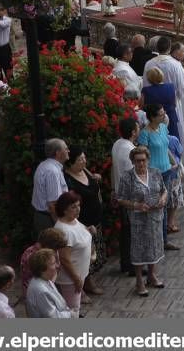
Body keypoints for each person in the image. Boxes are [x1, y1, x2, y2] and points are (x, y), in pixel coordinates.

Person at [115, 146, 167, 297]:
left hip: (156, 218)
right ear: (132, 161)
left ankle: (151, 276)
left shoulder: (155, 173)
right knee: (139, 251)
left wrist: (163, 199)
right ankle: (139, 281)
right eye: (137, 161)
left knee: (154, 247)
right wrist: (135, 205)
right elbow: (120, 198)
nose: (141, 164)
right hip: (139, 220)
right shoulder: (127, 177)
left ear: (148, 160)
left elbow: (164, 190)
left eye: (143, 160)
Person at [63, 146, 105, 297]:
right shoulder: (68, 180)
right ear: (71, 163)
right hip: (83, 222)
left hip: (96, 219)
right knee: (84, 256)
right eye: (80, 159)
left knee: (94, 254)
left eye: (84, 158)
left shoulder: (85, 171)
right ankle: (84, 286)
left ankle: (88, 280)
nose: (84, 161)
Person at [137, 103, 179, 251]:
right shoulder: (145, 134)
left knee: (165, 204)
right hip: (155, 174)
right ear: (152, 117)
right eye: (161, 114)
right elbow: (143, 156)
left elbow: (165, 146)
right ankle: (157, 240)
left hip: (167, 170)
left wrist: (174, 162)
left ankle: (164, 239)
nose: (164, 115)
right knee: (156, 207)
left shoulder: (162, 127)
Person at [143, 38, 184, 154]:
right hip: (172, 104)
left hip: (153, 105)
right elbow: (182, 87)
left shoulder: (149, 64)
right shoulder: (175, 64)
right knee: (173, 132)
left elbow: (145, 86)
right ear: (169, 48)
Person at [53, 191, 93, 313]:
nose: (78, 209)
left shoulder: (73, 220)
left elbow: (81, 232)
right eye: (73, 207)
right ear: (64, 210)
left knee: (75, 305)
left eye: (78, 205)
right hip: (70, 279)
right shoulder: (64, 230)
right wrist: (76, 279)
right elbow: (64, 259)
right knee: (73, 308)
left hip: (80, 274)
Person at [111, 118, 139, 276]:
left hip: (120, 193)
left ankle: (125, 263)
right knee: (131, 232)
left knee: (125, 232)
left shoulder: (117, 144)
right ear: (133, 132)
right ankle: (132, 265)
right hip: (130, 198)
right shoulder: (129, 150)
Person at [31, 138, 69, 234]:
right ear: (58, 153)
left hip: (45, 217)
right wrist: (59, 227)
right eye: (66, 148)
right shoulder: (52, 171)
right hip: (49, 220)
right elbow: (52, 204)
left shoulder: (46, 165)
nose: (68, 151)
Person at [25, 249, 74, 318]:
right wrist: (70, 314)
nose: (57, 266)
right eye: (53, 263)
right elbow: (52, 317)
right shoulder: (41, 291)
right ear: (42, 269)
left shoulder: (45, 279)